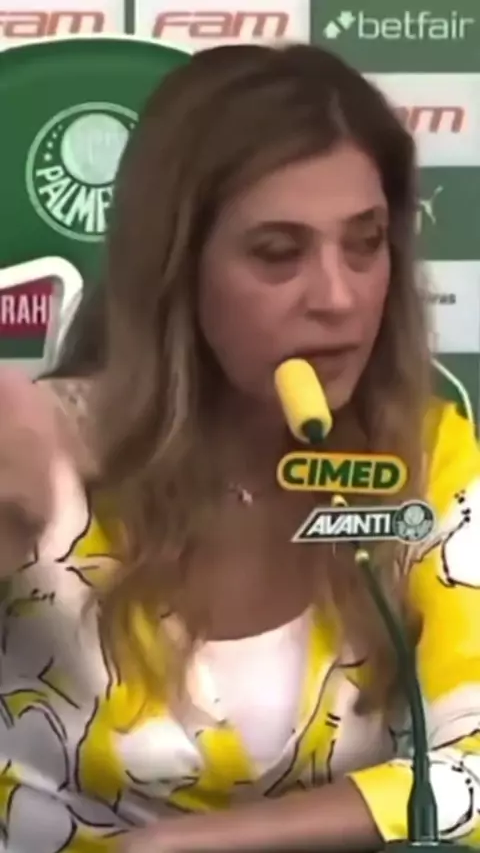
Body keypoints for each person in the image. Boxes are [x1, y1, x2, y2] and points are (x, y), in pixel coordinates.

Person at [1, 42, 480, 853]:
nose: (338, 297)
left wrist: (179, 848)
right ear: (177, 269)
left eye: (365, 243)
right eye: (278, 254)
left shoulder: (427, 459)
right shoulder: (38, 449)